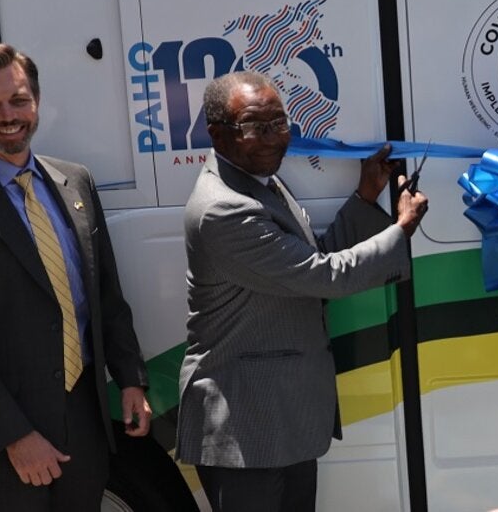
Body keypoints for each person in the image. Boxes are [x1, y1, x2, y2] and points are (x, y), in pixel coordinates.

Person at [0, 44, 151, 511]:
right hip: (8, 450)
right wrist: (17, 436)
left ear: (36, 102)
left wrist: (131, 379)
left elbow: (104, 295)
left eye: (18, 99)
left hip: (85, 429)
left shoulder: (75, 182)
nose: (8, 116)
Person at [176, 71, 427, 512]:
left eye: (280, 123)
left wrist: (366, 199)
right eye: (257, 127)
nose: (275, 138)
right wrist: (401, 229)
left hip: (283, 416)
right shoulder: (224, 208)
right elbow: (322, 276)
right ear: (217, 135)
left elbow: (303, 267)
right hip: (246, 426)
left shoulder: (261, 181)